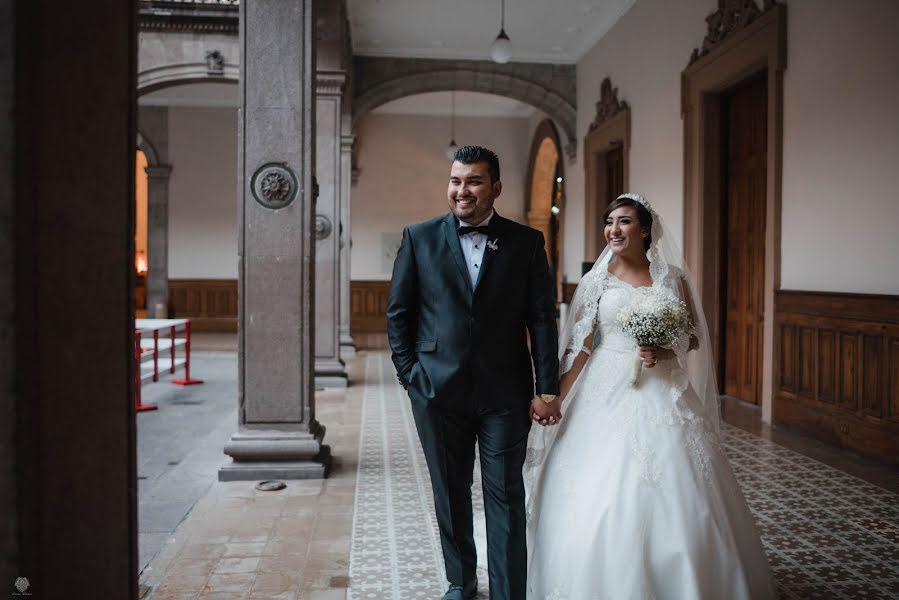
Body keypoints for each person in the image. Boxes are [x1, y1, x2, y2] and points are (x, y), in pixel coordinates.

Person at [524, 193, 776, 599]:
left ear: (644, 229)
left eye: (623, 222)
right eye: (609, 222)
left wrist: (664, 347)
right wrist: (554, 397)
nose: (613, 230)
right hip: (605, 388)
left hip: (665, 389)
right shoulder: (597, 280)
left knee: (681, 484)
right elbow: (582, 347)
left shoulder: (671, 277)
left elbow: (693, 335)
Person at [387, 145, 561, 600]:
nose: (462, 190)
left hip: (505, 391)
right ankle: (460, 584)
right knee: (449, 490)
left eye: (474, 181)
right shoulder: (419, 238)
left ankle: (509, 593)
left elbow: (542, 318)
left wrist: (547, 388)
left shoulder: (526, 243)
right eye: (456, 181)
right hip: (437, 391)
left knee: (504, 495)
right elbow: (398, 315)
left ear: (496, 188)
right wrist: (413, 378)